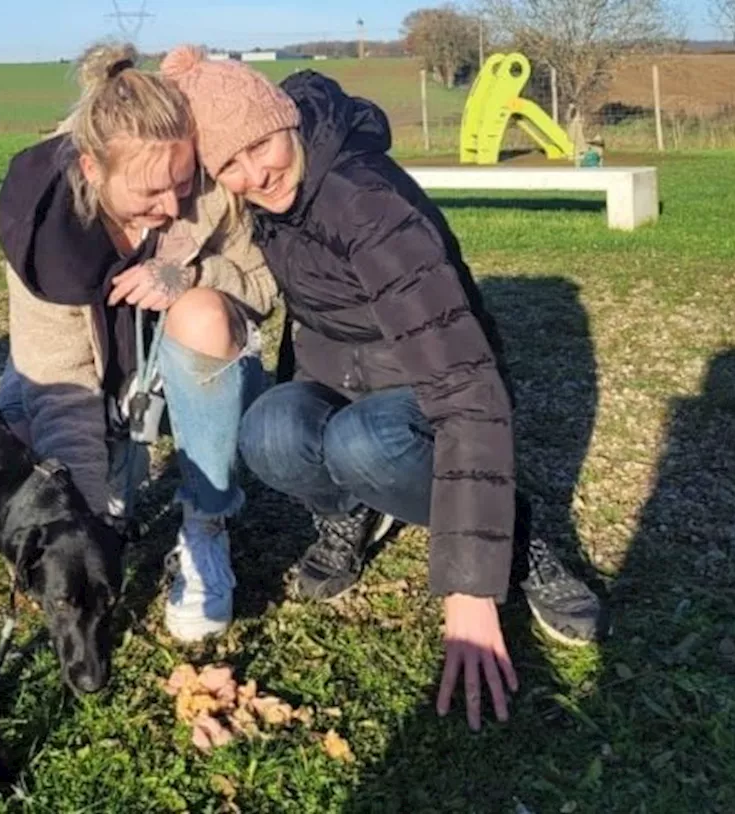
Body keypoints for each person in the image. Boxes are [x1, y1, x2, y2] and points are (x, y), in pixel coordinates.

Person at [159, 46, 603, 730]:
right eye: (231, 165)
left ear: (286, 120)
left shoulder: (368, 203)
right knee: (267, 430)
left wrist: (468, 589)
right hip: (341, 380)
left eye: (261, 146)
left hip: (425, 389)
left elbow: (466, 388)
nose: (254, 174)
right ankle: (348, 514)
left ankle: (516, 534)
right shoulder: (270, 200)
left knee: (363, 442)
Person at [0, 44, 276, 642]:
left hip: (197, 370)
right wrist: (90, 519)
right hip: (77, 383)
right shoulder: (44, 233)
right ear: (93, 171)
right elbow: (63, 387)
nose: (171, 207)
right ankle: (111, 482)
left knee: (200, 313)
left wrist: (188, 277)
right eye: (150, 192)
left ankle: (205, 526)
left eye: (181, 181)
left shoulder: (206, 190)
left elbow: (261, 284)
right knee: (3, 451)